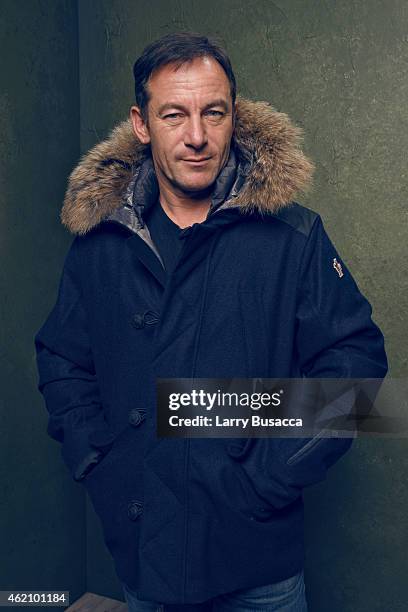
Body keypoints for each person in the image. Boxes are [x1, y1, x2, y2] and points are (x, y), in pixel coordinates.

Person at [34, 32, 388, 611]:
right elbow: (63, 359)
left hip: (258, 565)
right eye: (174, 114)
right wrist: (100, 460)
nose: (196, 136)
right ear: (142, 123)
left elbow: (357, 373)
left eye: (212, 113)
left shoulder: (292, 235)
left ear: (233, 116)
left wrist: (261, 476)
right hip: (144, 556)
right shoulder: (101, 243)